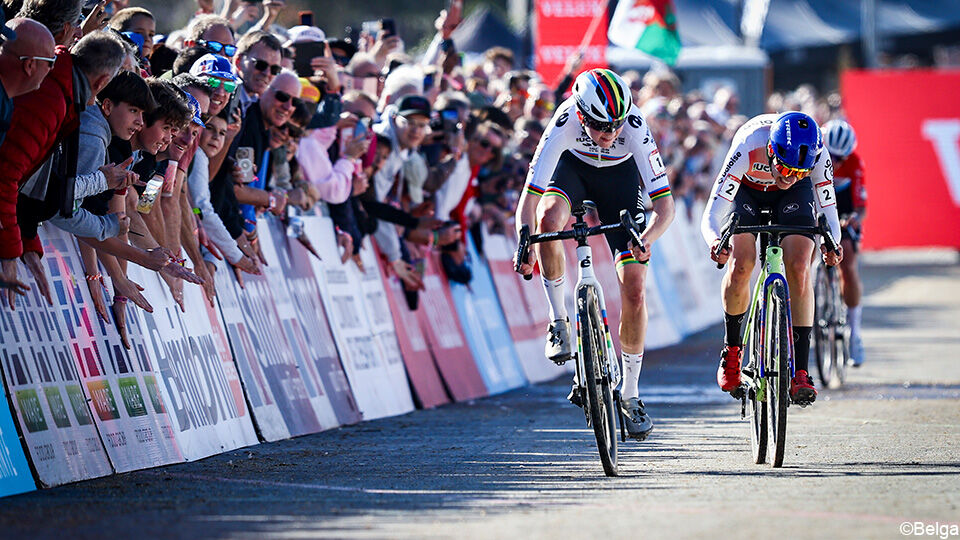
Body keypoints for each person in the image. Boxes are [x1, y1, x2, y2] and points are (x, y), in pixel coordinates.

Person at [514, 68, 676, 440]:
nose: (611, 134)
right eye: (602, 126)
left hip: (620, 182)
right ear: (581, 115)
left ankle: (631, 394)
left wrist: (647, 239)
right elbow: (530, 197)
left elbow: (665, 208)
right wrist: (524, 242)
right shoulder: (565, 120)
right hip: (572, 171)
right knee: (548, 219)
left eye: (616, 125)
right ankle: (558, 321)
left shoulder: (634, 126)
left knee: (634, 284)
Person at [701, 112, 843, 405]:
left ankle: (801, 370)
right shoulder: (749, 143)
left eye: (799, 173)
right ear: (771, 150)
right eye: (785, 168)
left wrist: (834, 245)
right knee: (742, 264)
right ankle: (732, 351)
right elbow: (712, 213)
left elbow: (829, 211)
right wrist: (716, 241)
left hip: (792, 202)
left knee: (800, 266)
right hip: (748, 192)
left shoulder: (816, 155)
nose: (789, 178)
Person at [823, 119, 866, 366]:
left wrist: (853, 219)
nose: (836, 163)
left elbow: (861, 208)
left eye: (842, 158)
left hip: (843, 210)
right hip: (817, 204)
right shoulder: (813, 155)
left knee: (847, 262)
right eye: (832, 156)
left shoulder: (855, 162)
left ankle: (855, 332)